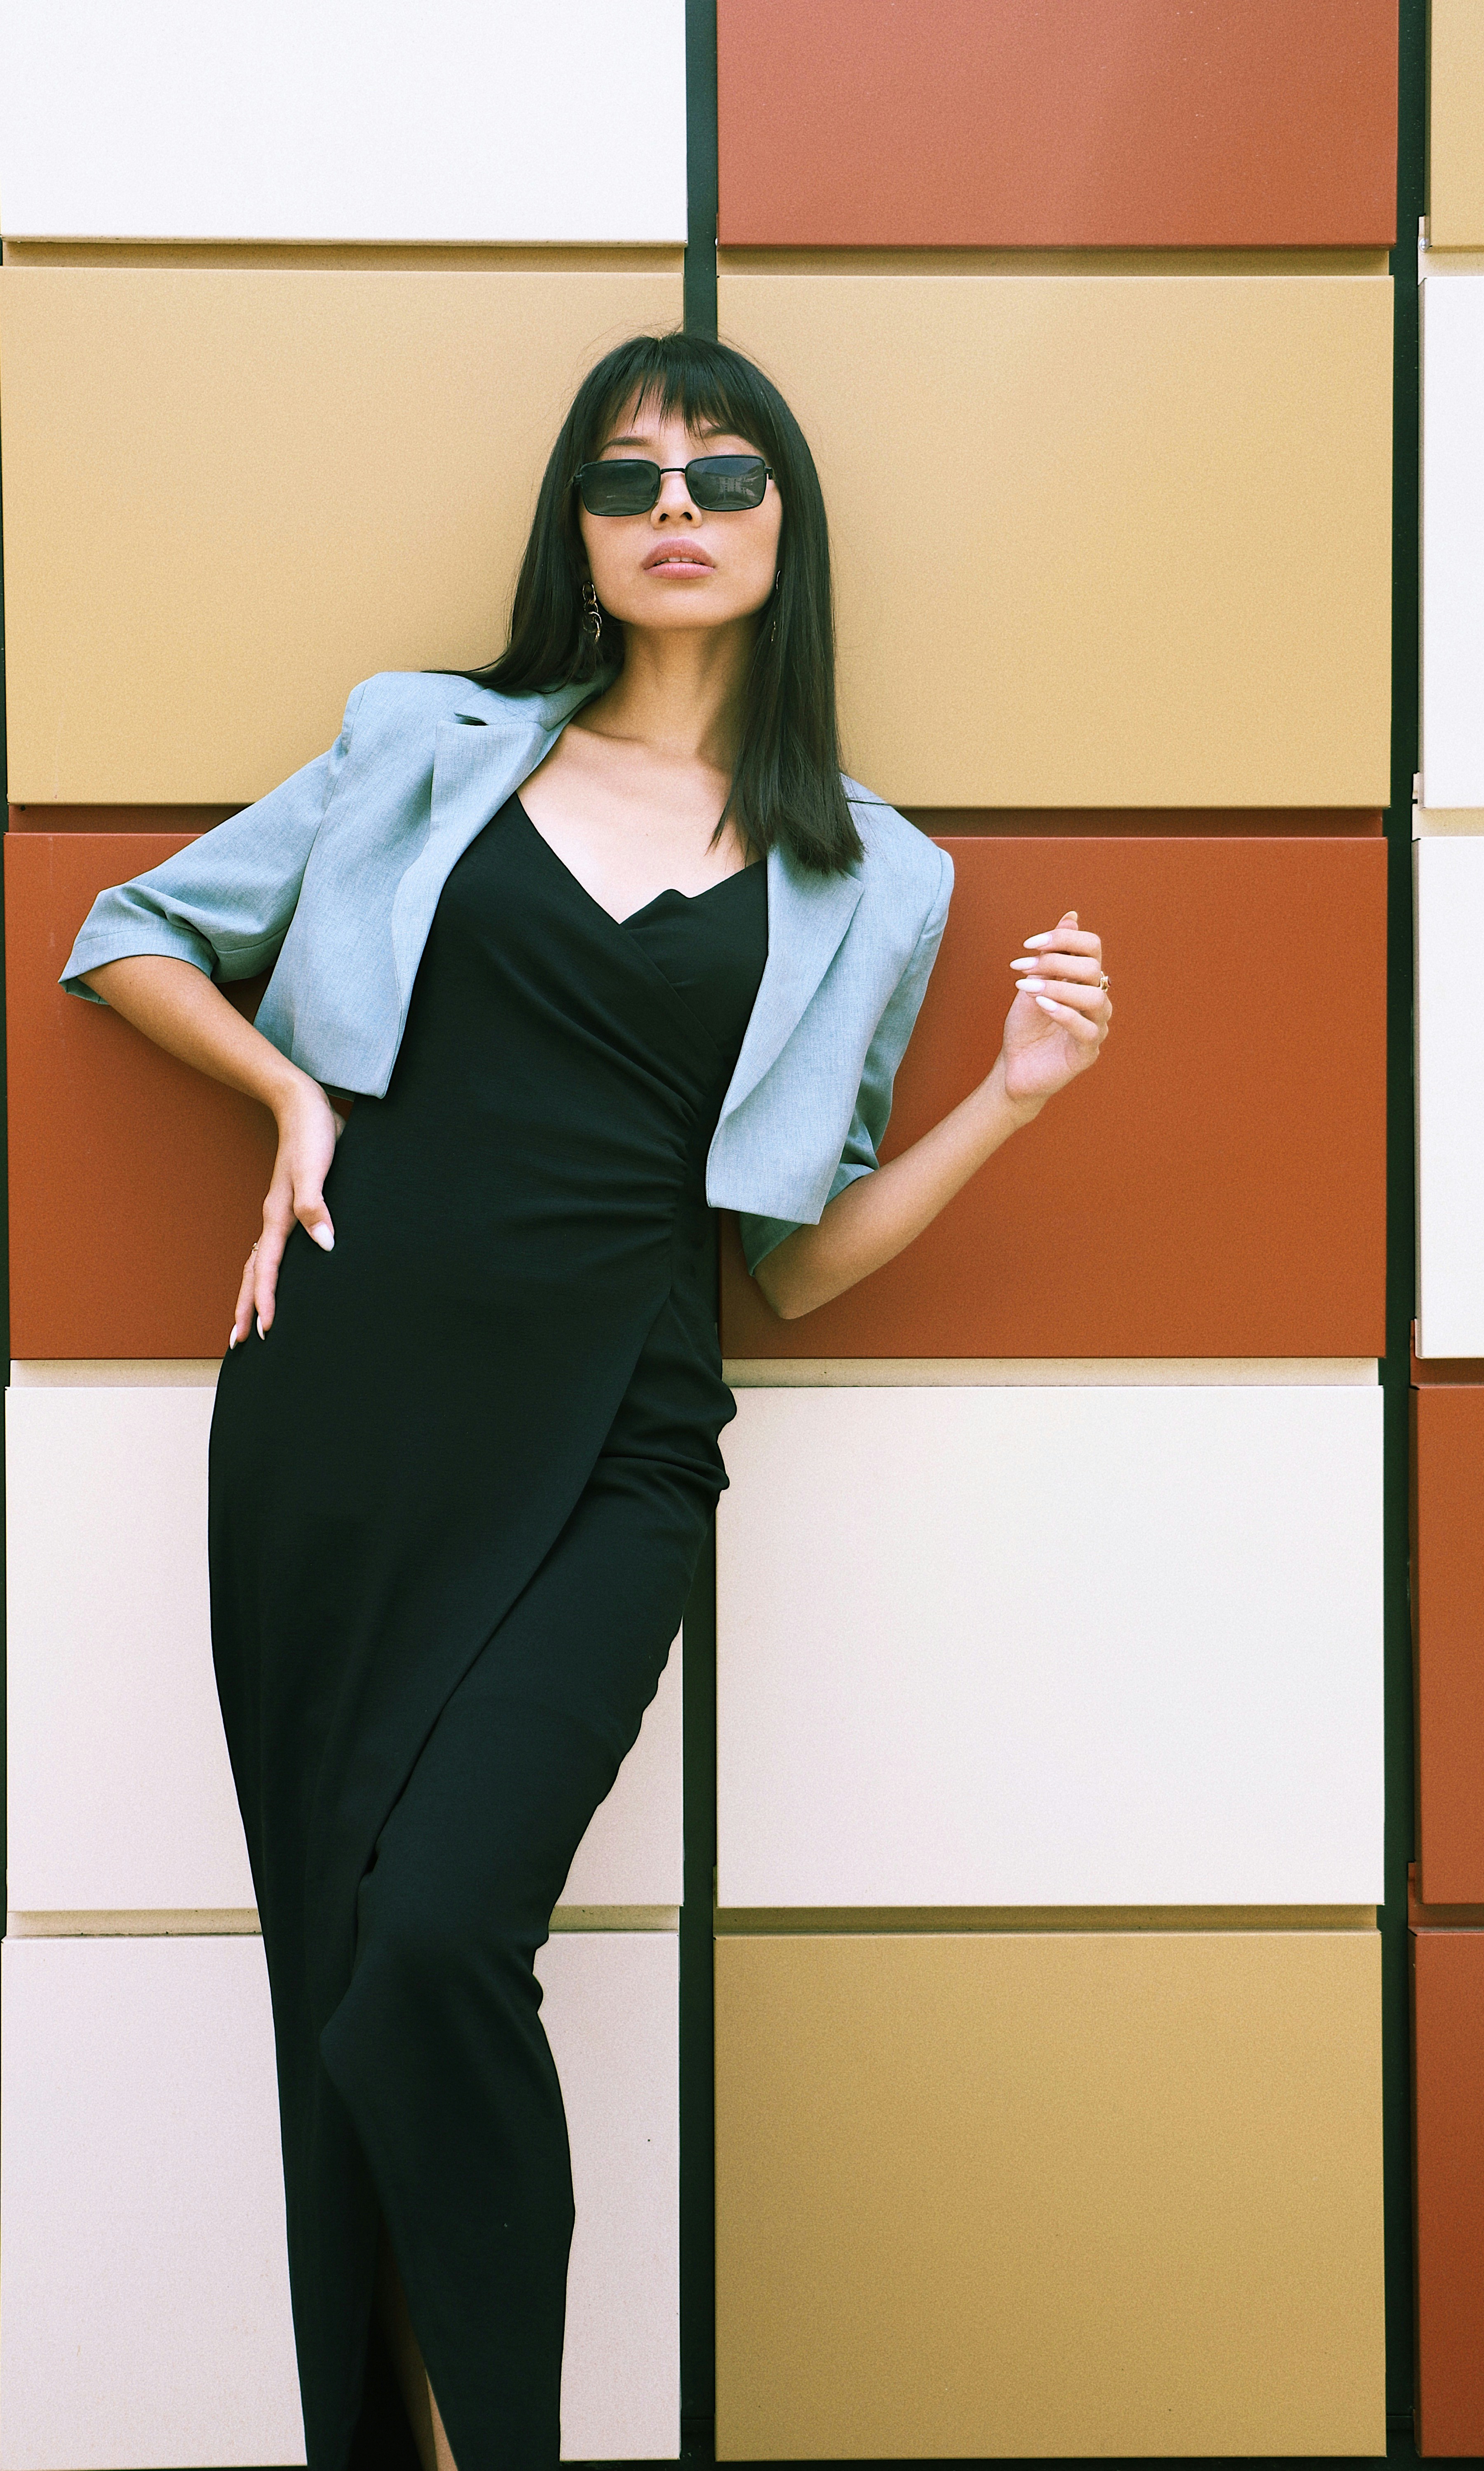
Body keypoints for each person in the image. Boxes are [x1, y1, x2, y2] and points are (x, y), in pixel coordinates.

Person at [61, 331, 1112, 2471]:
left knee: (437, 1943)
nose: (678, 512)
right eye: (630, 481)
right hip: (339, 1411)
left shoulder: (872, 878)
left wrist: (1014, 1098)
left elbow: (796, 1264)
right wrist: (283, 1092)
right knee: (334, 1980)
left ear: (783, 532)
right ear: (580, 530)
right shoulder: (420, 746)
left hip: (618, 1437)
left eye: (725, 477)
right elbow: (130, 931)